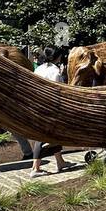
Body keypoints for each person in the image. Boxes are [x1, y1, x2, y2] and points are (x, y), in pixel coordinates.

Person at [30, 47, 69, 177]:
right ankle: (35, 168)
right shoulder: (55, 71)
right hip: (50, 107)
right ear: (57, 57)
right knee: (43, 137)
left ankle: (60, 161)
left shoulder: (39, 68)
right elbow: (58, 91)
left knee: (52, 136)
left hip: (37, 104)